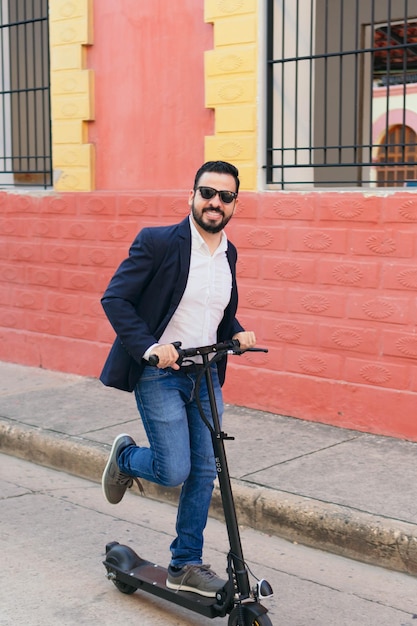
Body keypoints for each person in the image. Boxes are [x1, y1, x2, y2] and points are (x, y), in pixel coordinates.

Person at [100, 160, 256, 598]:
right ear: (191, 196)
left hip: (204, 376)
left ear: (234, 206)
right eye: (208, 193)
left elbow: (216, 315)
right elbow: (115, 299)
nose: (215, 203)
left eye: (225, 197)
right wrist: (150, 346)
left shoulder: (229, 253)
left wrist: (236, 333)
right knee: (174, 470)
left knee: (204, 471)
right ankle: (127, 458)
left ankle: (184, 564)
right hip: (161, 375)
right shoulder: (158, 242)